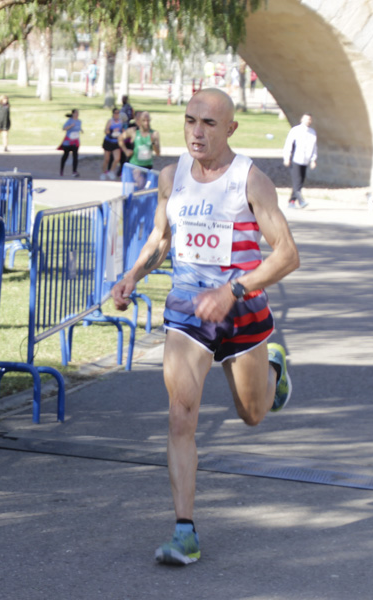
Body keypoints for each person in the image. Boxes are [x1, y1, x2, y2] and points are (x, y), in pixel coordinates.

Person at [109, 88, 300, 567]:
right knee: (180, 412)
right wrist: (132, 274)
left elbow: (287, 255)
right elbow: (161, 236)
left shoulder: (251, 181)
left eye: (209, 124)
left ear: (230, 129)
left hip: (242, 310)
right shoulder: (171, 177)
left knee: (252, 413)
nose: (197, 130)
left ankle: (272, 371)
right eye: (190, 120)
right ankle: (184, 530)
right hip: (188, 312)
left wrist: (233, 291)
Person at [282, 113, 318, 208]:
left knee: (300, 181)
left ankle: (292, 201)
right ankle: (301, 201)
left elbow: (314, 147)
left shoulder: (312, 132)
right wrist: (286, 157)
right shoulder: (295, 130)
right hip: (296, 159)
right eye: (306, 119)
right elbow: (288, 144)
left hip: (305, 160)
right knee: (297, 181)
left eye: (309, 119)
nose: (308, 121)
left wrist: (313, 159)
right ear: (302, 119)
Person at [101, 108, 126, 180]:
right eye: (115, 113)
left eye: (118, 113)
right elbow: (106, 131)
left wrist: (122, 133)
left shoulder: (121, 121)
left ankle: (111, 171)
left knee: (117, 159)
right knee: (107, 159)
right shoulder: (110, 121)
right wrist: (112, 131)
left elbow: (122, 130)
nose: (117, 114)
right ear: (113, 114)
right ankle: (103, 172)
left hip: (116, 142)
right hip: (108, 142)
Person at [58, 109, 82, 177]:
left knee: (75, 157)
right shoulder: (69, 121)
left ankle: (74, 171)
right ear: (73, 114)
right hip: (68, 142)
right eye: (76, 113)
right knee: (66, 155)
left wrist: (81, 130)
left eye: (78, 113)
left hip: (75, 141)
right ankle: (61, 170)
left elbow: (78, 128)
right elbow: (64, 128)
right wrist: (71, 126)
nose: (77, 114)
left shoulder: (79, 121)